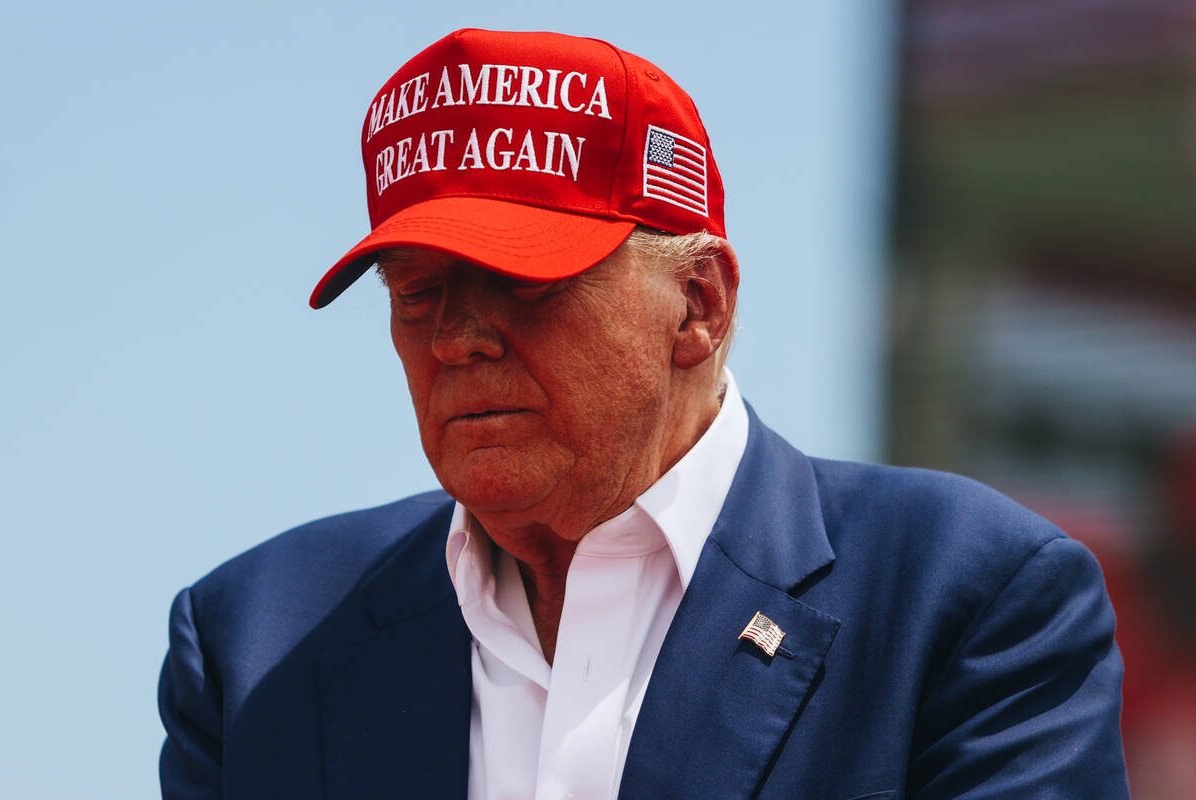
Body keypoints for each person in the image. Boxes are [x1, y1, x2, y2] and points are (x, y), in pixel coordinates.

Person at [158, 28, 1129, 799]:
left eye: (521, 284)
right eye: (417, 293)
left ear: (700, 304)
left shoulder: (968, 599)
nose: (457, 338)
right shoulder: (257, 639)